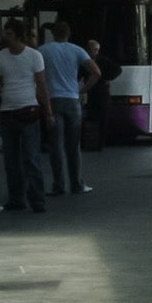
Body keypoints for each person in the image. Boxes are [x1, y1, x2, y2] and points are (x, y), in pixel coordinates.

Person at [0, 20, 52, 212]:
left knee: (29, 157)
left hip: (26, 110)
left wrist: (48, 111)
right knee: (12, 160)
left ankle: (35, 199)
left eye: (8, 33)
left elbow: (42, 86)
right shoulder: (1, 56)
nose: (4, 36)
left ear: (17, 35)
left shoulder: (34, 56)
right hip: (11, 111)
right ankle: (19, 198)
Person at [37, 19, 99, 195]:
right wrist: (82, 90)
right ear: (68, 33)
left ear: (52, 33)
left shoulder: (43, 51)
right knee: (73, 145)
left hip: (52, 100)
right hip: (72, 99)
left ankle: (58, 185)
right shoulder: (77, 50)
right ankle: (76, 184)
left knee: (56, 144)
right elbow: (96, 72)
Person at [82, 36, 118, 153]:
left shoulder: (103, 61)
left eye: (94, 50)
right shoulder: (85, 60)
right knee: (91, 117)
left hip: (101, 92)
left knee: (103, 118)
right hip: (91, 91)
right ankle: (88, 141)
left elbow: (117, 70)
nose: (92, 52)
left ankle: (99, 143)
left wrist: (105, 78)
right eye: (90, 49)